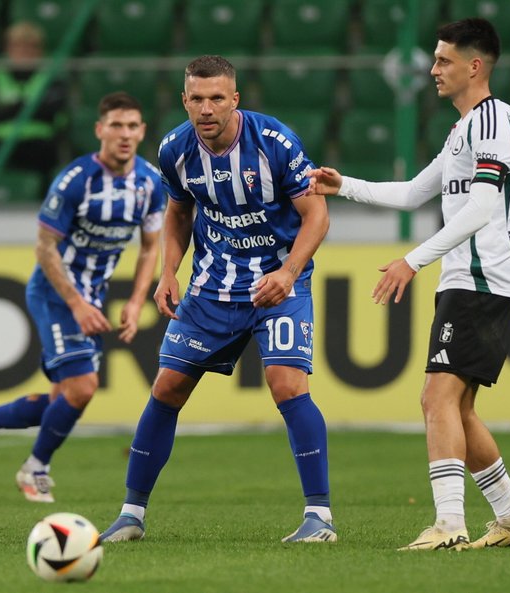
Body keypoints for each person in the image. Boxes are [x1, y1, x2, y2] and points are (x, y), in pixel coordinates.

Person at [305, 18, 510, 551]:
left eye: (443, 60)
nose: (432, 70)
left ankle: (449, 523)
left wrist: (412, 259)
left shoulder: (495, 122)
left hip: (480, 278)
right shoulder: (465, 128)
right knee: (457, 406)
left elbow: (482, 207)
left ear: (474, 66)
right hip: (469, 278)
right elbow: (414, 192)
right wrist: (347, 187)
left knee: (436, 398)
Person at [100, 55, 336, 544]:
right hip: (212, 286)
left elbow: (317, 215)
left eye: (217, 98)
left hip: (277, 283)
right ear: (185, 101)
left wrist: (289, 273)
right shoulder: (175, 149)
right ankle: (131, 515)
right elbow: (177, 213)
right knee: (166, 388)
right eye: (197, 99)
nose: (207, 109)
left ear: (235, 100)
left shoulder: (275, 143)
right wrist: (168, 271)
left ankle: (319, 518)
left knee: (288, 386)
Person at [0, 91, 165, 502]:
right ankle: (35, 469)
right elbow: (45, 248)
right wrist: (77, 303)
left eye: (132, 126)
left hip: (93, 296)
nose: (124, 134)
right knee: (83, 387)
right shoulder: (75, 181)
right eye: (116, 125)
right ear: (100, 129)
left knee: (62, 397)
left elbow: (151, 247)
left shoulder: (150, 183)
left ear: (142, 131)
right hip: (55, 292)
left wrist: (136, 302)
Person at [0, 20, 68, 177]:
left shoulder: (52, 77)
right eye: (18, 46)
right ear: (8, 49)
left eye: (30, 46)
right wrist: (26, 106)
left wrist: (9, 109)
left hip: (35, 142)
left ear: (40, 50)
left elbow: (52, 113)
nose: (24, 52)